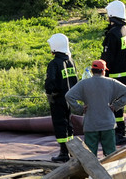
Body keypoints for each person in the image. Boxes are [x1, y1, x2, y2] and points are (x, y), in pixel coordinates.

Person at [66, 59, 126, 159]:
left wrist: (80, 109)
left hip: (90, 124)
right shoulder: (111, 82)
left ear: (92, 71)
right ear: (103, 71)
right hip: (107, 124)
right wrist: (116, 106)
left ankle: (90, 174)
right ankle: (110, 173)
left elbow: (69, 96)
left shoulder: (84, 83)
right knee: (110, 155)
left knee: (89, 156)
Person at [101, 0, 126, 145]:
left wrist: (100, 71)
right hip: (125, 74)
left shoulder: (113, 34)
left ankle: (119, 134)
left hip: (114, 76)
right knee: (119, 107)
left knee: (114, 108)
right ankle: (121, 132)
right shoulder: (125, 30)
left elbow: (108, 57)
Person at [44, 33, 79, 162]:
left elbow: (50, 81)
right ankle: (71, 150)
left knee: (60, 124)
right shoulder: (70, 61)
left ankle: (64, 153)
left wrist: (50, 93)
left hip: (58, 99)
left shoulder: (54, 64)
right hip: (70, 99)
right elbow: (75, 80)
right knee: (68, 124)